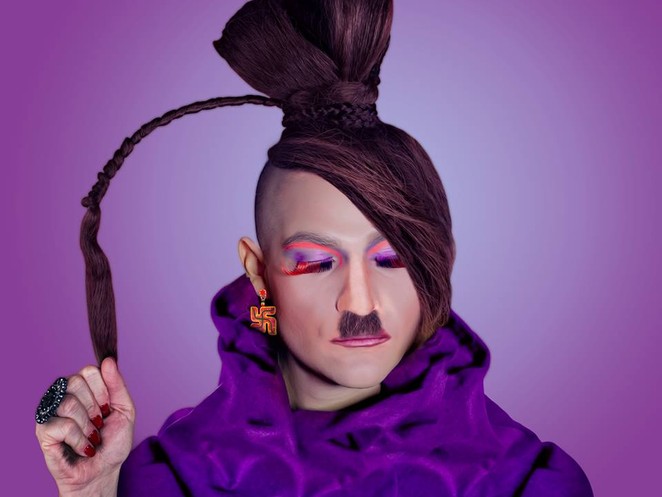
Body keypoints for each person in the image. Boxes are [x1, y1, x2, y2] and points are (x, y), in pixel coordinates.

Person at [34, 1, 594, 495]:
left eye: (392, 258)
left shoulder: (528, 482)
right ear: (258, 272)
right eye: (317, 263)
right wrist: (92, 492)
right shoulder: (171, 477)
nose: (360, 302)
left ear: (436, 259)